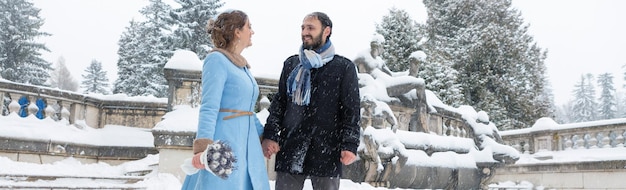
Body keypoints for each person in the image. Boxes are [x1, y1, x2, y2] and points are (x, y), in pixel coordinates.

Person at [261, 12, 361, 190]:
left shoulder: (344, 67)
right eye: (303, 27)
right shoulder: (292, 64)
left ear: (326, 31)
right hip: (291, 145)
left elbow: (351, 110)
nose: (305, 32)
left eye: (311, 28)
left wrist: (350, 144)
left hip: (327, 148)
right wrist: (270, 135)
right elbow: (280, 103)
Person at [181, 9, 270, 190]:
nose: (252, 32)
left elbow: (248, 110)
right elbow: (209, 106)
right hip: (225, 142)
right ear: (237, 31)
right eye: (249, 27)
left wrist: (265, 137)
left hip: (247, 145)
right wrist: (202, 147)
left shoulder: (243, 67)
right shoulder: (216, 60)